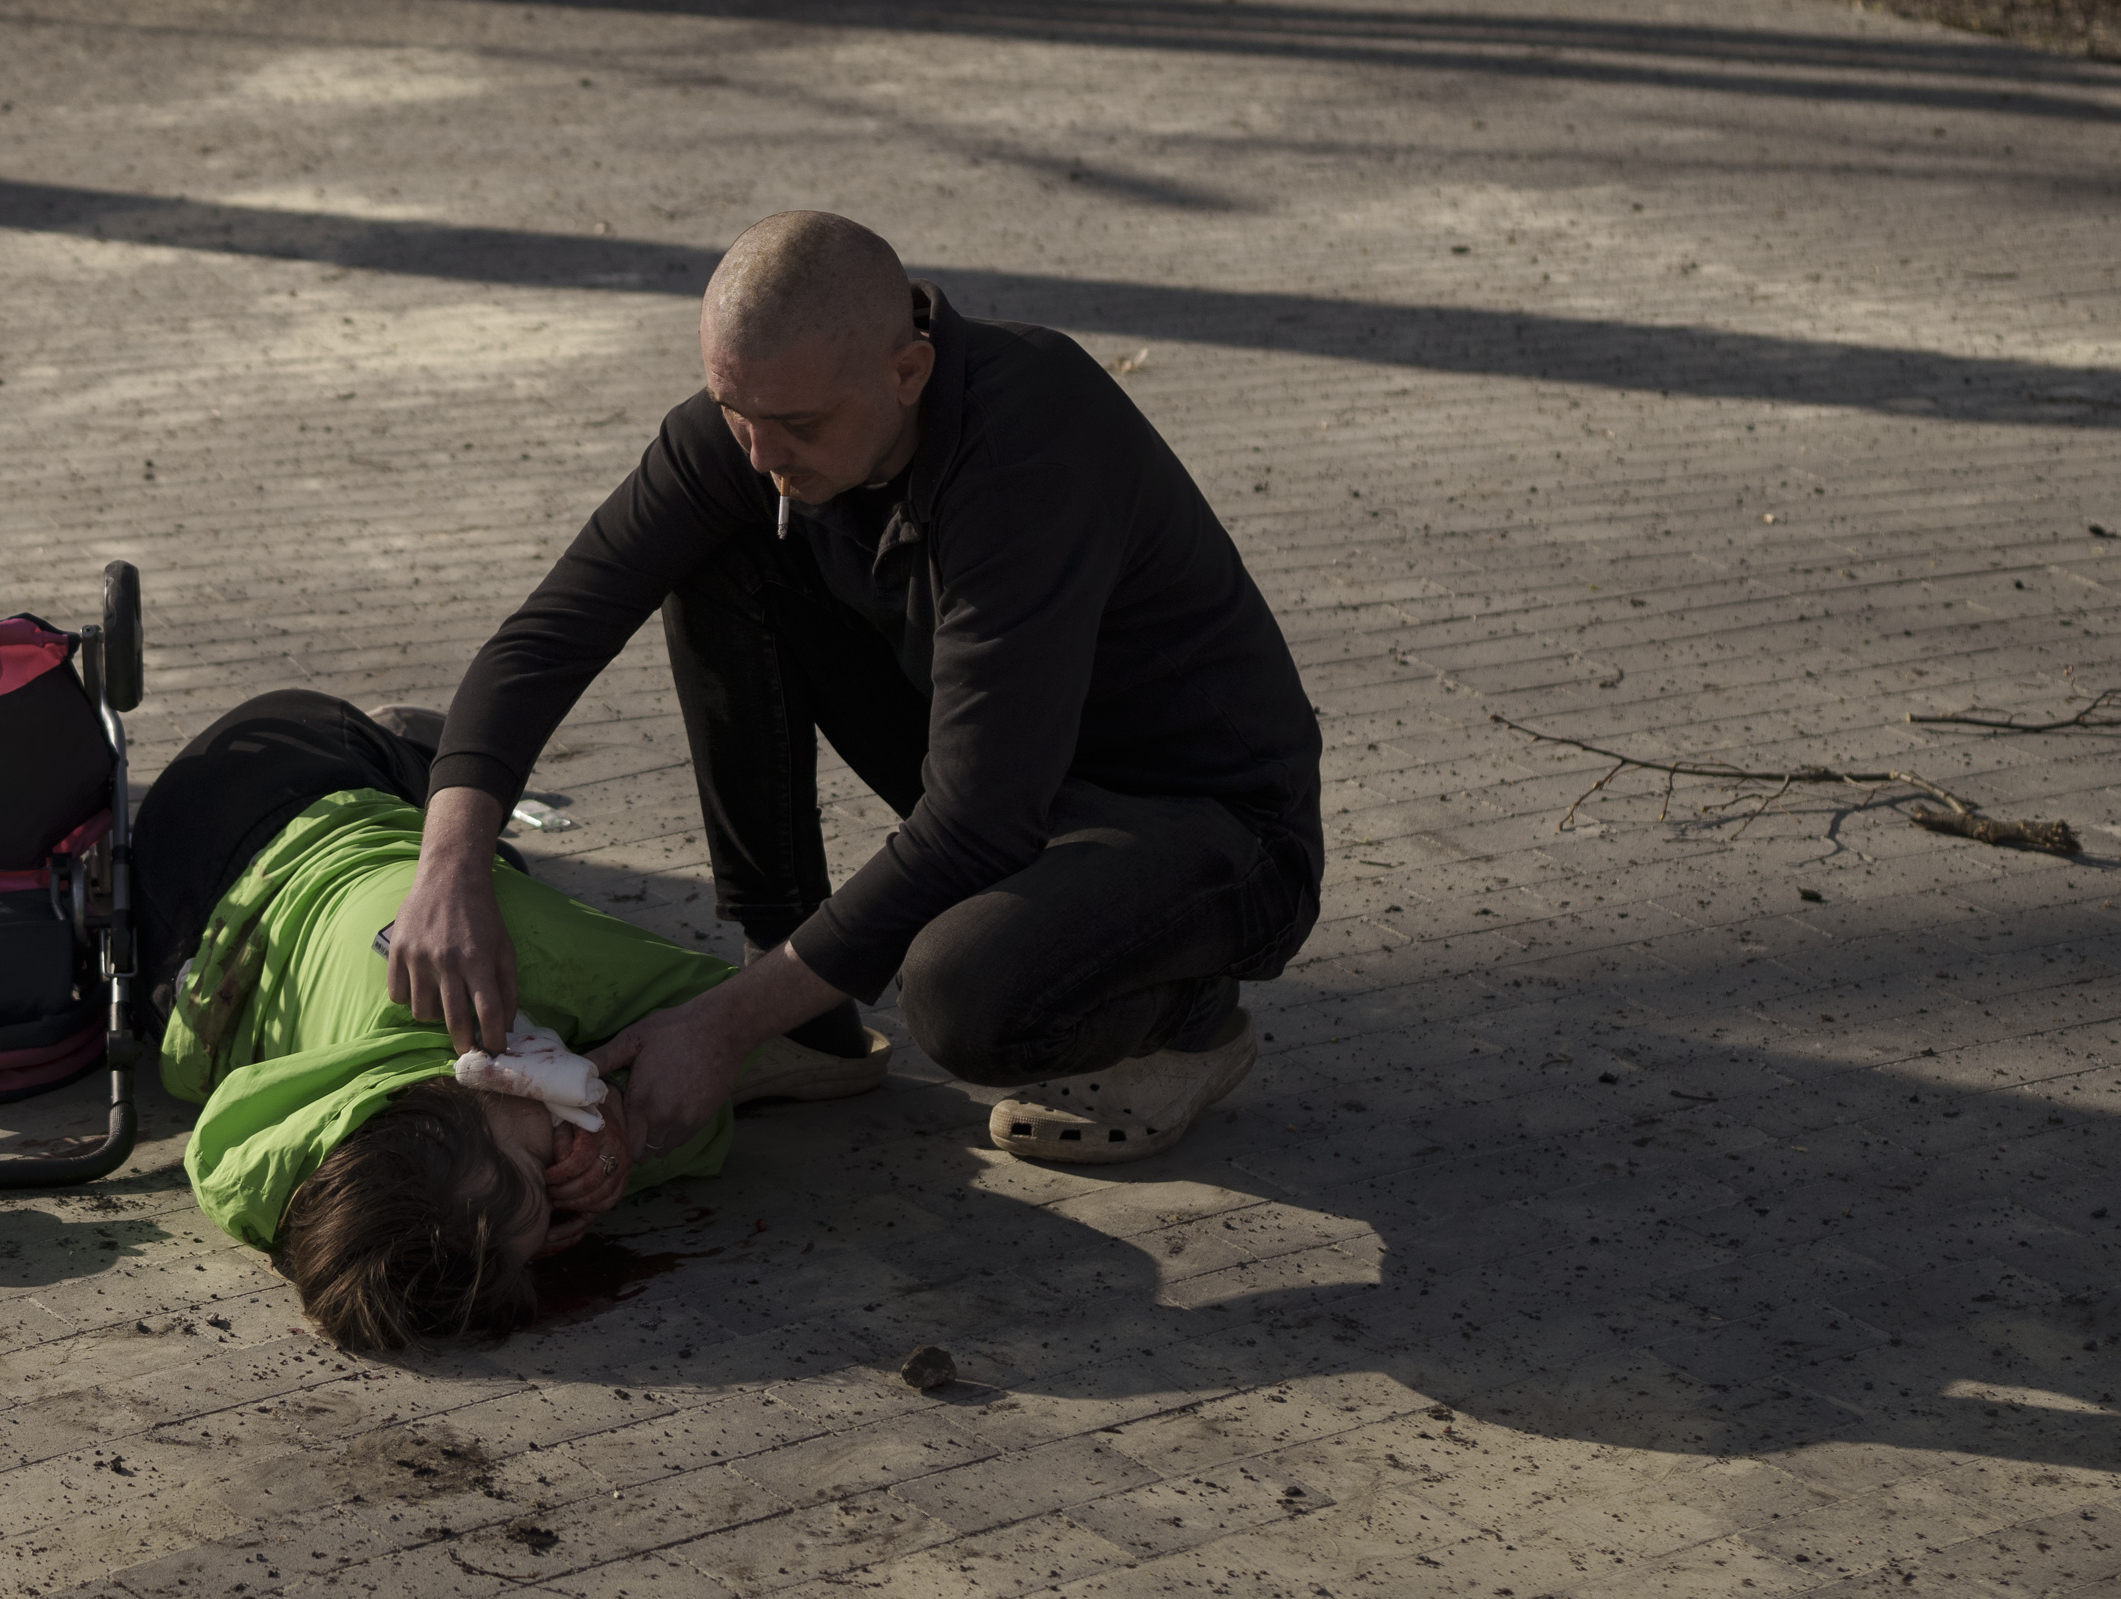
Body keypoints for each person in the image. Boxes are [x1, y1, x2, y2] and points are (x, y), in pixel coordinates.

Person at [385, 210, 1322, 1169]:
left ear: (907, 372)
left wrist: (715, 1026)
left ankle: (1189, 1016)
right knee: (723, 549)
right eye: (735, 412)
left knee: (967, 994)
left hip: (1210, 829)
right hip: (1021, 780)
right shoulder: (762, 421)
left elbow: (976, 823)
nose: (758, 452)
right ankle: (799, 1005)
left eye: (795, 424)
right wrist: (450, 862)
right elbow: (552, 633)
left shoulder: (1030, 444)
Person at [130, 688, 750, 1355]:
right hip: (174, 896)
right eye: (557, 1199)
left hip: (293, 756)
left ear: (474, 1085)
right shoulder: (296, 1160)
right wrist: (621, 1131)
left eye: (536, 1163)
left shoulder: (506, 949)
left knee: (479, 841)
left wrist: (627, 1122)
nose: (563, 1169)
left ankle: (413, 737)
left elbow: (744, 1018)